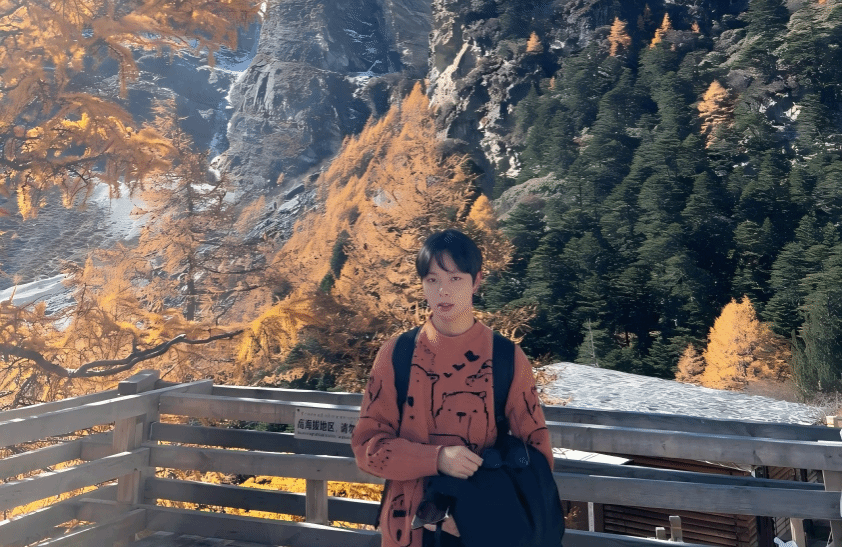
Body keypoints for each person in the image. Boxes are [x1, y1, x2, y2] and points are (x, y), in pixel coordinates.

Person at [351, 229, 554, 547]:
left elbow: (537, 456)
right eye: (432, 280)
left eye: (455, 279)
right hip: (409, 530)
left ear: (476, 281)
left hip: (485, 530)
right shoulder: (396, 354)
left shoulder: (506, 357)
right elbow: (368, 449)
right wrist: (437, 458)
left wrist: (482, 515)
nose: (443, 291)